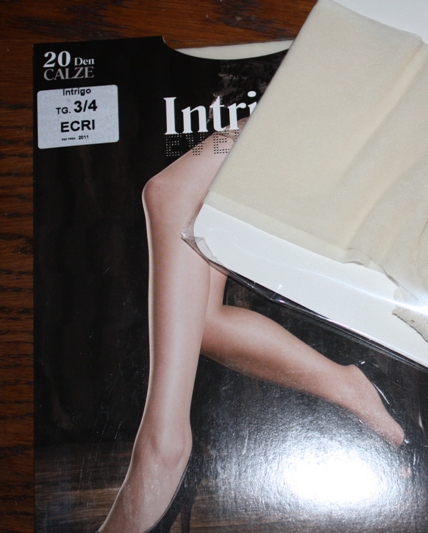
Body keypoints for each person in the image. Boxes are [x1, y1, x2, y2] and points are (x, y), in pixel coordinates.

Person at [98, 129, 407, 533]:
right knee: (196, 322)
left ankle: (162, 446)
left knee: (170, 193)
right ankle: (352, 387)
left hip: (326, 124)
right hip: (282, 121)